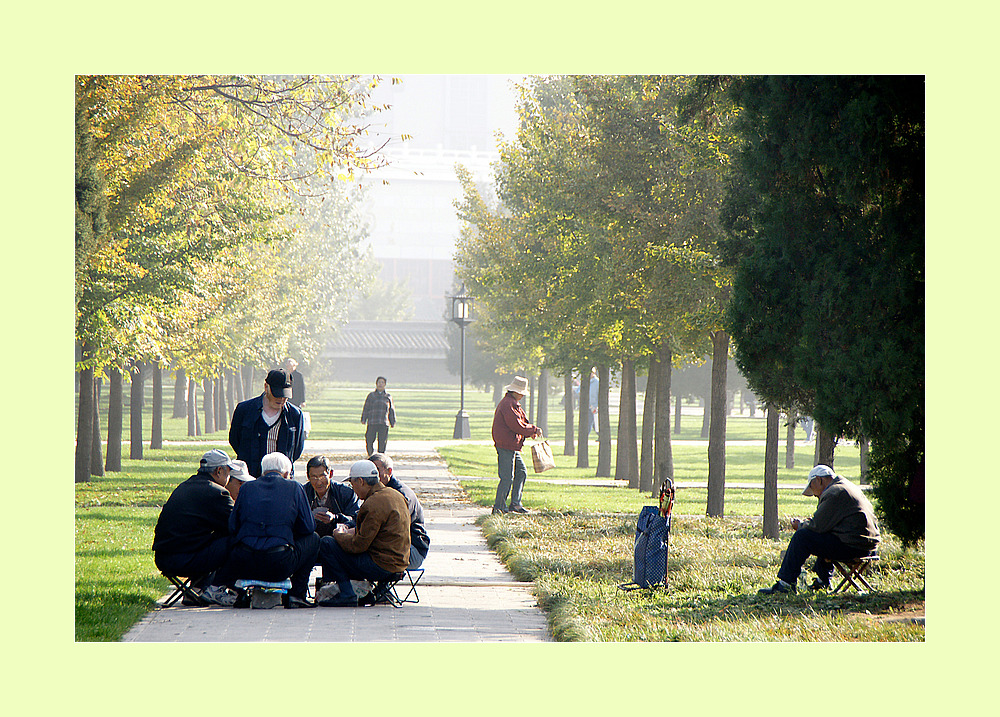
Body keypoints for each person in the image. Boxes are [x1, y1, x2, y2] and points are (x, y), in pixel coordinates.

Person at [216, 452, 319, 608]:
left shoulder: (247, 488)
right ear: (286, 474)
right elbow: (308, 527)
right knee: (314, 539)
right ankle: (297, 594)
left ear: (262, 471)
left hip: (245, 562)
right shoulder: (294, 487)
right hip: (279, 563)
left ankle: (240, 593)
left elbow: (233, 527)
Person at [758, 464, 881, 595]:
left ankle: (785, 584)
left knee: (802, 536)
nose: (815, 496)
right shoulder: (847, 486)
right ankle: (823, 580)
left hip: (853, 547)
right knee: (824, 534)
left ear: (819, 480)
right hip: (868, 547)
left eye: (812, 487)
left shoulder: (834, 492)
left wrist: (800, 526)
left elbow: (817, 526)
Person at [317, 459, 410, 607]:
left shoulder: (373, 503)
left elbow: (358, 546)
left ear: (361, 481)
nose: (352, 488)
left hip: (381, 564)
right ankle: (364, 594)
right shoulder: (395, 495)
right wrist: (350, 531)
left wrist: (338, 534)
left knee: (327, 543)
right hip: (400, 562)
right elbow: (377, 532)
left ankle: (347, 593)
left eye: (352, 484)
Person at [152, 449, 237, 605]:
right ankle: (216, 589)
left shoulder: (185, 486)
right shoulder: (218, 493)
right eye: (228, 473)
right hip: (185, 560)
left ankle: (196, 590)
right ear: (219, 471)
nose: (229, 478)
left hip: (163, 559)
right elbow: (237, 524)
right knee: (236, 540)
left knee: (217, 536)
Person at [229, 368, 306, 478]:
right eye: (277, 394)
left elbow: (297, 449)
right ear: (266, 387)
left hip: (282, 479)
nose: (281, 399)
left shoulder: (295, 415)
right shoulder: (244, 410)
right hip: (250, 477)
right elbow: (235, 440)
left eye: (285, 395)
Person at [369, 452, 430, 570]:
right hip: (395, 547)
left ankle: (379, 587)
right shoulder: (375, 491)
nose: (373, 475)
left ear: (389, 471)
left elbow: (395, 527)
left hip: (412, 550)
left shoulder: (401, 495)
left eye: (377, 470)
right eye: (371, 471)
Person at [491, 375, 542, 516]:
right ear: (516, 392)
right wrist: (533, 430)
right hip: (506, 446)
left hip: (512, 445)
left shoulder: (513, 404)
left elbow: (522, 423)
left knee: (521, 472)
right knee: (507, 477)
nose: (523, 396)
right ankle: (499, 507)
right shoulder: (509, 405)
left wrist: (530, 429)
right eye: (522, 393)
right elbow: (516, 425)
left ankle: (515, 503)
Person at [304, 454, 361, 537]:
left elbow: (355, 519)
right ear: (308, 476)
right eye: (314, 477)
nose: (319, 482)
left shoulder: (345, 492)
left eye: (322, 476)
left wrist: (335, 518)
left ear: (330, 474)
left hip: (338, 539)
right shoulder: (303, 492)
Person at [360, 376, 395, 455]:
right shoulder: (371, 396)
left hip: (383, 422)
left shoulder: (388, 397)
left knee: (382, 441)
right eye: (379, 382)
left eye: (382, 383)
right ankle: (370, 454)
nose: (380, 384)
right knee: (369, 439)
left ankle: (380, 456)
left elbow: (391, 410)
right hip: (372, 422)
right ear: (376, 384)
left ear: (385, 385)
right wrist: (363, 419)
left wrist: (392, 421)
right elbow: (366, 408)